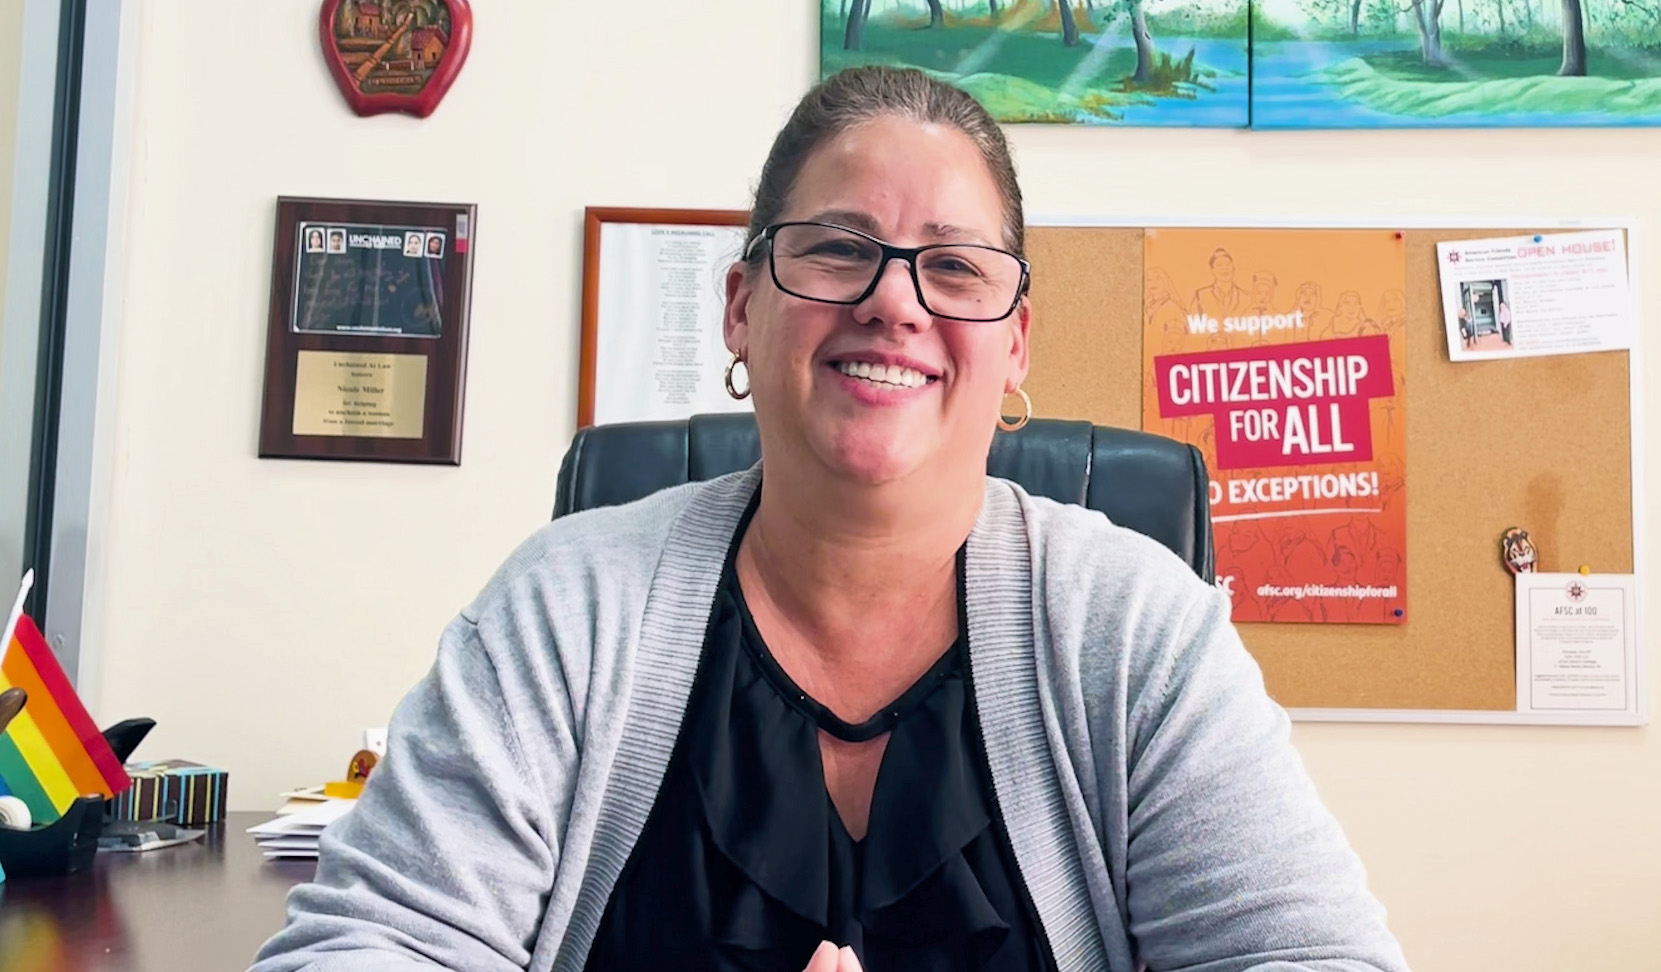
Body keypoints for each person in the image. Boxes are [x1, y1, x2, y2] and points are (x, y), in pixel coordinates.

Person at [250, 67, 1408, 972]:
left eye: (951, 268)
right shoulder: (566, 608)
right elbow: (369, 944)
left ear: (1014, 346)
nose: (892, 301)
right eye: (839, 249)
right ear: (743, 309)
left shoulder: (1135, 636)